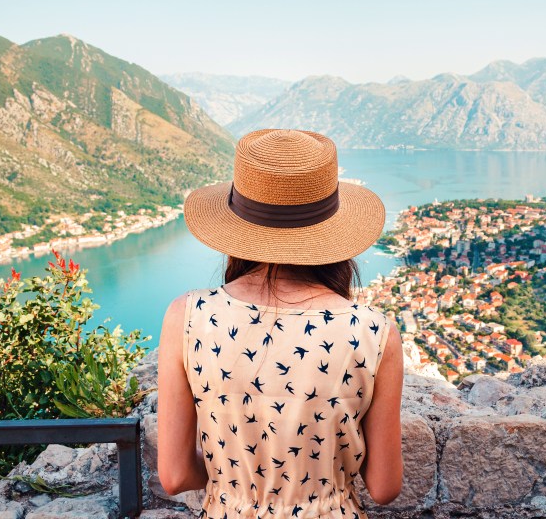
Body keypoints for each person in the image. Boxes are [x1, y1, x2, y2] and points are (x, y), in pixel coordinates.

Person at [157, 128, 404, 519]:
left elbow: (173, 476)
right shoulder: (373, 333)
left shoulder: (187, 318)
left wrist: (235, 483)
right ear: (332, 232)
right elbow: (385, 486)